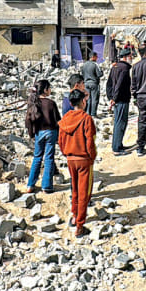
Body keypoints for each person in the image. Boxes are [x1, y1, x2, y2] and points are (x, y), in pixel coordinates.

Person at [58, 89, 97, 238]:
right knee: (84, 192)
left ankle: (74, 215)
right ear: (83, 101)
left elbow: (61, 141)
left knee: (74, 188)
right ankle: (80, 225)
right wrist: (92, 156)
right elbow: (90, 141)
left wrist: (66, 153)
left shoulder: (65, 119)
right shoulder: (86, 119)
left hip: (70, 158)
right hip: (84, 159)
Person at [25, 80, 60, 194]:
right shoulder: (51, 103)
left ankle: (30, 185)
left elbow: (28, 120)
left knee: (37, 157)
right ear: (45, 90)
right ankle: (46, 186)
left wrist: (31, 134)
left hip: (38, 133)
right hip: (50, 132)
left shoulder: (33, 103)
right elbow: (58, 120)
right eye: (49, 88)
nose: (50, 90)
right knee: (49, 158)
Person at [107, 48, 132, 155]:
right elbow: (119, 85)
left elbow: (109, 84)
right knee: (121, 123)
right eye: (130, 56)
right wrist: (114, 98)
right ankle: (117, 148)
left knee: (118, 122)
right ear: (126, 57)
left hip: (117, 99)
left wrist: (110, 97)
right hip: (122, 99)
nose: (131, 58)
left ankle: (118, 144)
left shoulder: (115, 67)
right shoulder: (124, 68)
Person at [81, 52, 103, 117]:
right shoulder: (95, 64)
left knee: (88, 98)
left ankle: (87, 112)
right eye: (96, 56)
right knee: (94, 99)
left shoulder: (84, 65)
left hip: (86, 83)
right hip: (94, 83)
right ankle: (93, 113)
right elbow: (99, 74)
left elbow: (82, 74)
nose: (97, 58)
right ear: (93, 57)